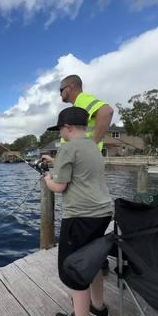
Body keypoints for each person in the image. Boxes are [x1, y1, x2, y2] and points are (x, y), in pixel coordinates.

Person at [43, 106, 113, 316]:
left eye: (61, 128)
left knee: (76, 270)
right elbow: (80, 170)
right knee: (93, 261)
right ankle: (100, 309)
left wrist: (46, 178)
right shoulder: (93, 146)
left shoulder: (67, 148)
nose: (60, 132)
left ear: (68, 127)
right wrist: (56, 162)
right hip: (103, 214)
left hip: (81, 218)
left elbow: (59, 187)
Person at [44, 74, 114, 275]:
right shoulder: (76, 143)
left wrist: (91, 143)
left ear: (71, 87)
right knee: (91, 241)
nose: (60, 94)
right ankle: (96, 263)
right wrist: (56, 162)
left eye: (61, 90)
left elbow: (107, 111)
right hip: (92, 186)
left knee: (73, 260)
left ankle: (85, 271)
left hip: (80, 208)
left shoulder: (83, 100)